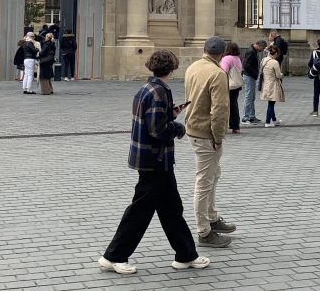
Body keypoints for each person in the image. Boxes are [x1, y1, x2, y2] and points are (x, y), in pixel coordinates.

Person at [97, 50, 210, 275]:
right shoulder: (160, 91)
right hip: (155, 159)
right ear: (172, 67)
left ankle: (186, 255)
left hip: (149, 158)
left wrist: (171, 113)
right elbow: (157, 129)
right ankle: (114, 256)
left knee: (171, 209)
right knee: (140, 211)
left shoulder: (146, 88)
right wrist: (178, 128)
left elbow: (153, 120)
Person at [183, 36, 234, 248]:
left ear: (204, 49)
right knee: (204, 181)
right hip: (206, 133)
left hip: (193, 127)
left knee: (213, 175)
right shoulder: (218, 74)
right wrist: (218, 136)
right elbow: (219, 110)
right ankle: (204, 231)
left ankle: (212, 218)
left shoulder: (193, 67)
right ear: (222, 54)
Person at [240, 40, 267, 124]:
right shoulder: (251, 52)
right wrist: (255, 74)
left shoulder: (253, 51)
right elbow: (246, 65)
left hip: (250, 76)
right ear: (258, 45)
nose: (262, 50)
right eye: (262, 48)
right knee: (249, 97)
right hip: (249, 76)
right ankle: (245, 117)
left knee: (252, 97)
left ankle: (251, 116)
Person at [219, 42, 244, 134]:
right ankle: (235, 126)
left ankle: (223, 126)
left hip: (228, 85)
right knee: (234, 105)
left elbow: (223, 71)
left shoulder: (227, 58)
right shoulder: (238, 58)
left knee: (224, 105)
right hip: (236, 85)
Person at [260, 46, 285, 128]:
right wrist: (282, 74)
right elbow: (278, 75)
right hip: (273, 84)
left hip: (266, 83)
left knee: (271, 102)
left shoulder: (263, 60)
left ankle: (274, 120)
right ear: (276, 53)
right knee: (271, 103)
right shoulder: (275, 62)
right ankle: (267, 122)